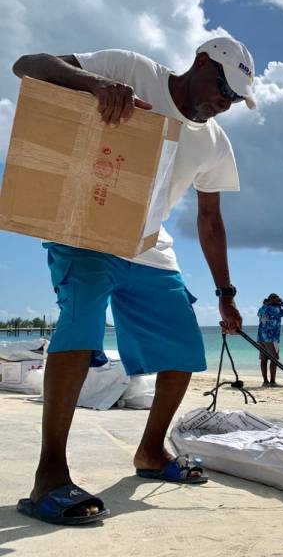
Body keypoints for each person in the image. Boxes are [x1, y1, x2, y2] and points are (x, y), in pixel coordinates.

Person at [11, 35, 257, 525]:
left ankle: (150, 452)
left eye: (232, 100)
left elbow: (210, 221)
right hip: (86, 227)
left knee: (184, 347)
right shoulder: (132, 70)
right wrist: (97, 85)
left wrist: (226, 295)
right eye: (221, 89)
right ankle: (49, 478)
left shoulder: (214, 143)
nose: (222, 104)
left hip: (148, 243)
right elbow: (27, 65)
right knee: (80, 325)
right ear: (201, 62)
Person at [257, 294, 283, 387]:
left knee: (263, 360)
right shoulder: (276, 310)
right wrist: (282, 303)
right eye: (277, 300)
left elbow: (258, 314)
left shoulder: (262, 308)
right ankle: (272, 382)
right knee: (274, 359)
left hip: (261, 338)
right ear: (275, 300)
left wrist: (267, 303)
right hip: (272, 338)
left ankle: (265, 381)